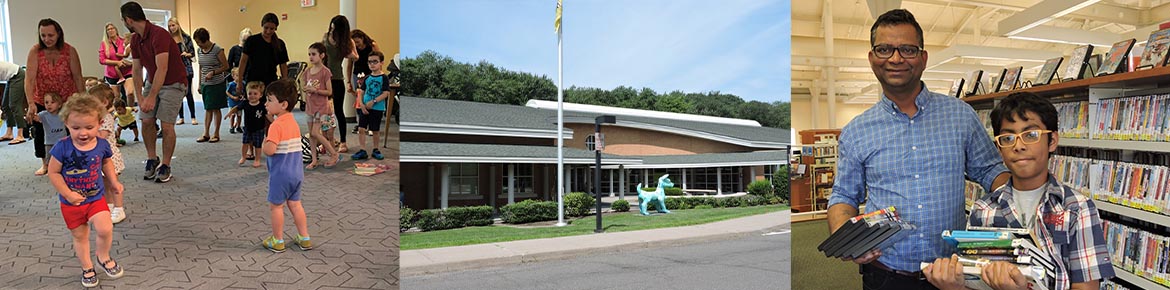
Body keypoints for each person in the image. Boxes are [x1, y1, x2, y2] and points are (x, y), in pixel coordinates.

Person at [825, 9, 1010, 290]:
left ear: (923, 59)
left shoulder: (961, 115)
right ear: (872, 58)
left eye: (907, 50)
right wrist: (846, 239)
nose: (896, 58)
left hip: (951, 275)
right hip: (885, 275)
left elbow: (991, 171)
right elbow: (844, 195)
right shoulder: (856, 131)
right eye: (884, 49)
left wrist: (1031, 202)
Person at [923, 92, 1115, 290]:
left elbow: (1086, 287)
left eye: (1031, 135)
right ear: (999, 148)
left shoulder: (1076, 208)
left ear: (1052, 141)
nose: (1019, 146)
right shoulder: (983, 210)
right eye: (1008, 138)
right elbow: (975, 282)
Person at [48, 94, 125, 288]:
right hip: (71, 203)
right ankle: (87, 267)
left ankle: (103, 256)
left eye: (89, 127)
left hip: (95, 197)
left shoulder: (101, 144)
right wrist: (67, 194)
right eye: (76, 128)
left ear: (99, 123)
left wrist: (114, 182)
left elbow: (106, 162)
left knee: (105, 228)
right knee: (80, 236)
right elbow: (53, 172)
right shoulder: (62, 147)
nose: (83, 133)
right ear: (66, 123)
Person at [122, 1, 188, 183]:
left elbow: (163, 68)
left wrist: (151, 97)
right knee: (146, 120)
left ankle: (166, 164)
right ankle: (152, 158)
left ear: (128, 20)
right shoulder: (135, 39)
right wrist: (140, 97)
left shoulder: (160, 35)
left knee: (167, 126)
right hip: (152, 81)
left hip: (174, 82)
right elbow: (136, 70)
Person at [258, 78, 312, 253]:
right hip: (296, 173)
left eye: (269, 100)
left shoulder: (276, 125)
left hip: (280, 175)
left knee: (276, 207)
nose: (265, 103)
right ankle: (304, 238)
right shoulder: (293, 122)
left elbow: (271, 150)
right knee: (296, 204)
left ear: (283, 104)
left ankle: (278, 240)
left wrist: (265, 142)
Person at [25, 18, 84, 176]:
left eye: (50, 35)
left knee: (69, 131)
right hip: (42, 99)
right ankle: (45, 163)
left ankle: (72, 160)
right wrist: (31, 103)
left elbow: (78, 77)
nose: (47, 39)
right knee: (41, 132)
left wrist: (83, 101)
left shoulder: (69, 51)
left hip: (66, 99)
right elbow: (29, 79)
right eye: (43, 35)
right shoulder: (35, 51)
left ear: (58, 34)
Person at [89, 86, 127, 224]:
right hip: (99, 157)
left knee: (113, 183)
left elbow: (102, 135)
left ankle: (119, 208)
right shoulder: (95, 117)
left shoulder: (107, 118)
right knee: (104, 183)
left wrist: (88, 132)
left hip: (109, 157)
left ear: (104, 102)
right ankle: (109, 205)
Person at [301, 42, 340, 169]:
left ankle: (334, 154)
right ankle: (314, 159)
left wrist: (315, 91)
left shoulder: (325, 72)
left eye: (313, 54)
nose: (311, 57)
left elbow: (329, 91)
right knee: (311, 134)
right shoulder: (307, 71)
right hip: (310, 107)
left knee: (316, 132)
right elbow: (304, 85)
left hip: (321, 108)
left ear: (322, 55)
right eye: (309, 54)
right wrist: (305, 88)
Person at [351, 51, 393, 161]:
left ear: (381, 63)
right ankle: (362, 150)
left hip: (377, 108)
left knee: (375, 130)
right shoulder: (367, 78)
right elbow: (361, 91)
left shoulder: (384, 78)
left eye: (375, 62)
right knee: (361, 128)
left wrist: (374, 101)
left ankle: (375, 149)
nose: (372, 64)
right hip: (364, 108)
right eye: (370, 62)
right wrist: (361, 104)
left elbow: (386, 93)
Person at [324, 15, 356, 153]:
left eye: (335, 28)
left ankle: (343, 141)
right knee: (324, 112)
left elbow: (355, 56)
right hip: (323, 79)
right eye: (331, 27)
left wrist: (347, 51)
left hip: (336, 79)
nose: (332, 30)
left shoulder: (345, 41)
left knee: (338, 111)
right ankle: (327, 140)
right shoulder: (325, 36)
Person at [237, 13, 289, 95]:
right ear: (262, 25)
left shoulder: (280, 44)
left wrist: (284, 82)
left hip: (270, 82)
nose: (268, 31)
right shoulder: (252, 41)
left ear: (276, 28)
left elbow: (283, 66)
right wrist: (239, 81)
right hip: (253, 82)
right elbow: (243, 62)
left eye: (271, 29)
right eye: (266, 28)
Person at [193, 28, 229, 143]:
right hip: (205, 84)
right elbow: (201, 67)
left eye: (199, 42)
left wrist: (213, 72)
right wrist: (199, 83)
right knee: (208, 108)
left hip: (216, 83)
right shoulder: (199, 51)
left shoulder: (217, 50)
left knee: (215, 109)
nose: (198, 44)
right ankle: (206, 133)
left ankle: (216, 133)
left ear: (205, 39)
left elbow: (225, 66)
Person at [226, 81, 268, 168]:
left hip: (259, 129)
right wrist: (230, 113)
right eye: (250, 93)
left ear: (260, 95)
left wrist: (275, 122)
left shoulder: (262, 106)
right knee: (245, 143)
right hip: (247, 128)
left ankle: (257, 159)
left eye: (255, 93)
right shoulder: (245, 103)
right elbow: (236, 108)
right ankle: (243, 156)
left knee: (258, 145)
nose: (252, 96)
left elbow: (268, 115)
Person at [167, 17, 197, 125]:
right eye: (170, 26)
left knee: (188, 93)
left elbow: (193, 53)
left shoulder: (186, 38)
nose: (172, 28)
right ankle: (181, 117)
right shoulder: (168, 38)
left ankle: (193, 116)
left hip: (186, 67)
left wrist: (187, 54)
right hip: (174, 69)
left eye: (173, 25)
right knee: (178, 93)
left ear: (178, 25)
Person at [98, 22, 133, 106]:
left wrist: (130, 62)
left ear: (116, 30)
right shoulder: (104, 44)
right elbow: (102, 60)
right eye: (108, 29)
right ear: (106, 32)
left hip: (126, 71)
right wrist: (117, 62)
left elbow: (131, 54)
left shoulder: (123, 41)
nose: (110, 30)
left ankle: (130, 112)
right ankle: (119, 116)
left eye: (112, 28)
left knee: (130, 93)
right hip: (112, 73)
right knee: (116, 97)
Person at [34, 92, 67, 176]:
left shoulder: (63, 113)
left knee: (63, 156)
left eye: (52, 102)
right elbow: (36, 118)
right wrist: (31, 113)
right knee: (49, 157)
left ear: (59, 105)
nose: (49, 105)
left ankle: (63, 170)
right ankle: (50, 170)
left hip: (62, 141)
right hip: (49, 141)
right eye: (46, 102)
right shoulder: (43, 114)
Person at [0, 60, 28, 145]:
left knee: (14, 105)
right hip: (10, 78)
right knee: (5, 106)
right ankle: (9, 133)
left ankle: (20, 135)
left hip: (18, 75)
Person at [226, 68, 243, 134]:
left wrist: (242, 96)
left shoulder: (243, 83)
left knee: (239, 115)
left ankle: (238, 126)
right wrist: (232, 97)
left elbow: (243, 92)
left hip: (239, 103)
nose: (239, 77)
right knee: (232, 115)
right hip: (232, 103)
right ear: (233, 76)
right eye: (237, 75)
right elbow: (227, 92)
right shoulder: (231, 84)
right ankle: (231, 127)